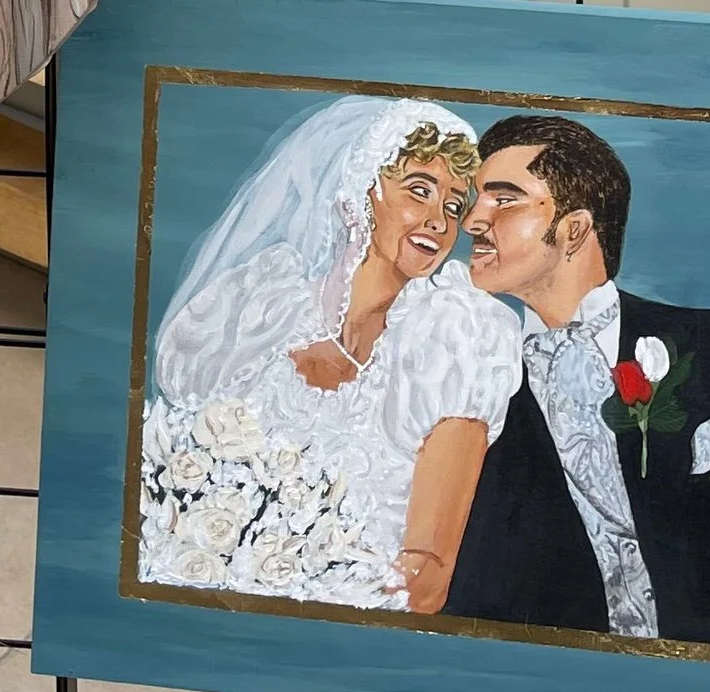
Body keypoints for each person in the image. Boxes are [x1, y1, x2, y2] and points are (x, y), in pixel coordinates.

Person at [141, 97, 520, 612]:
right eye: (418, 191)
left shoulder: (455, 337)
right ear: (356, 196)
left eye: (453, 206)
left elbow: (427, 577)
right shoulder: (258, 305)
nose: (438, 221)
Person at [445, 113, 710, 653]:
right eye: (476, 200)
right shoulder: (472, 387)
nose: (473, 221)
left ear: (575, 228)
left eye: (503, 198)